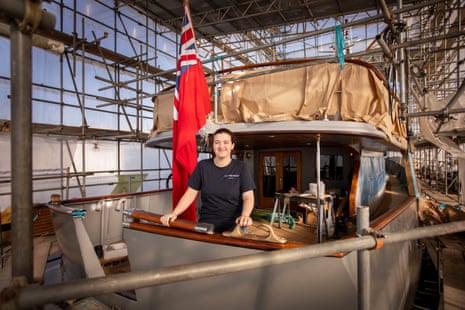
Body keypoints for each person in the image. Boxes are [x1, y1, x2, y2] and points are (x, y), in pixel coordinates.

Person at [160, 128, 256, 233]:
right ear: (212, 146)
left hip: (235, 226)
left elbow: (248, 197)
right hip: (207, 224)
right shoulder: (203, 166)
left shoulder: (241, 167)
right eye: (217, 142)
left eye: (226, 142)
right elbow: (191, 193)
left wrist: (245, 216)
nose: (221, 146)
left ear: (232, 146)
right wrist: (175, 213)